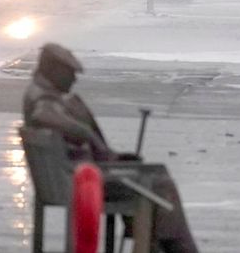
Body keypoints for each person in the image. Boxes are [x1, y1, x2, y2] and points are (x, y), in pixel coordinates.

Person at [23, 43, 200, 253]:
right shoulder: (44, 98)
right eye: (70, 73)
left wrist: (109, 155)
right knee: (159, 182)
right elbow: (43, 115)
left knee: (149, 174)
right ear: (54, 70)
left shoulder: (41, 92)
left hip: (68, 177)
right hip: (81, 182)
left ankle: (155, 241)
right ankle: (171, 247)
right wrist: (87, 134)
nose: (74, 79)